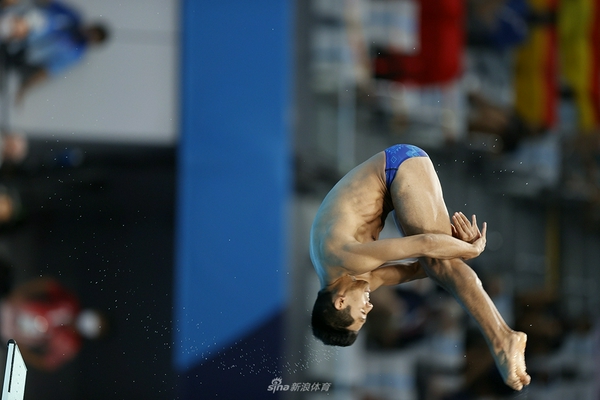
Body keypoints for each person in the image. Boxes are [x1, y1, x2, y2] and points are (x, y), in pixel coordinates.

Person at [310, 143, 531, 391]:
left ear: (340, 302)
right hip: (393, 183)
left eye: (362, 313)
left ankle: (502, 341)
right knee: (440, 266)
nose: (369, 307)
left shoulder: (344, 258)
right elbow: (419, 268)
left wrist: (470, 250)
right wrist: (454, 248)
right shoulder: (355, 280)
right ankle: (503, 337)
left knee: (441, 263)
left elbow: (425, 245)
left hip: (399, 165)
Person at [0, 0, 109, 102]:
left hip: (22, 52)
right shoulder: (73, 17)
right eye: (91, 31)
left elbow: (49, 70)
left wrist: (25, 88)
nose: (87, 34)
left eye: (92, 37)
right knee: (36, 19)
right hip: (24, 21)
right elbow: (48, 3)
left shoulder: (76, 53)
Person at [0, 277, 108, 371]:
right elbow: (48, 284)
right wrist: (19, 293)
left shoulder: (71, 346)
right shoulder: (70, 303)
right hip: (11, 311)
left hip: (11, 336)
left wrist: (19, 351)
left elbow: (47, 363)